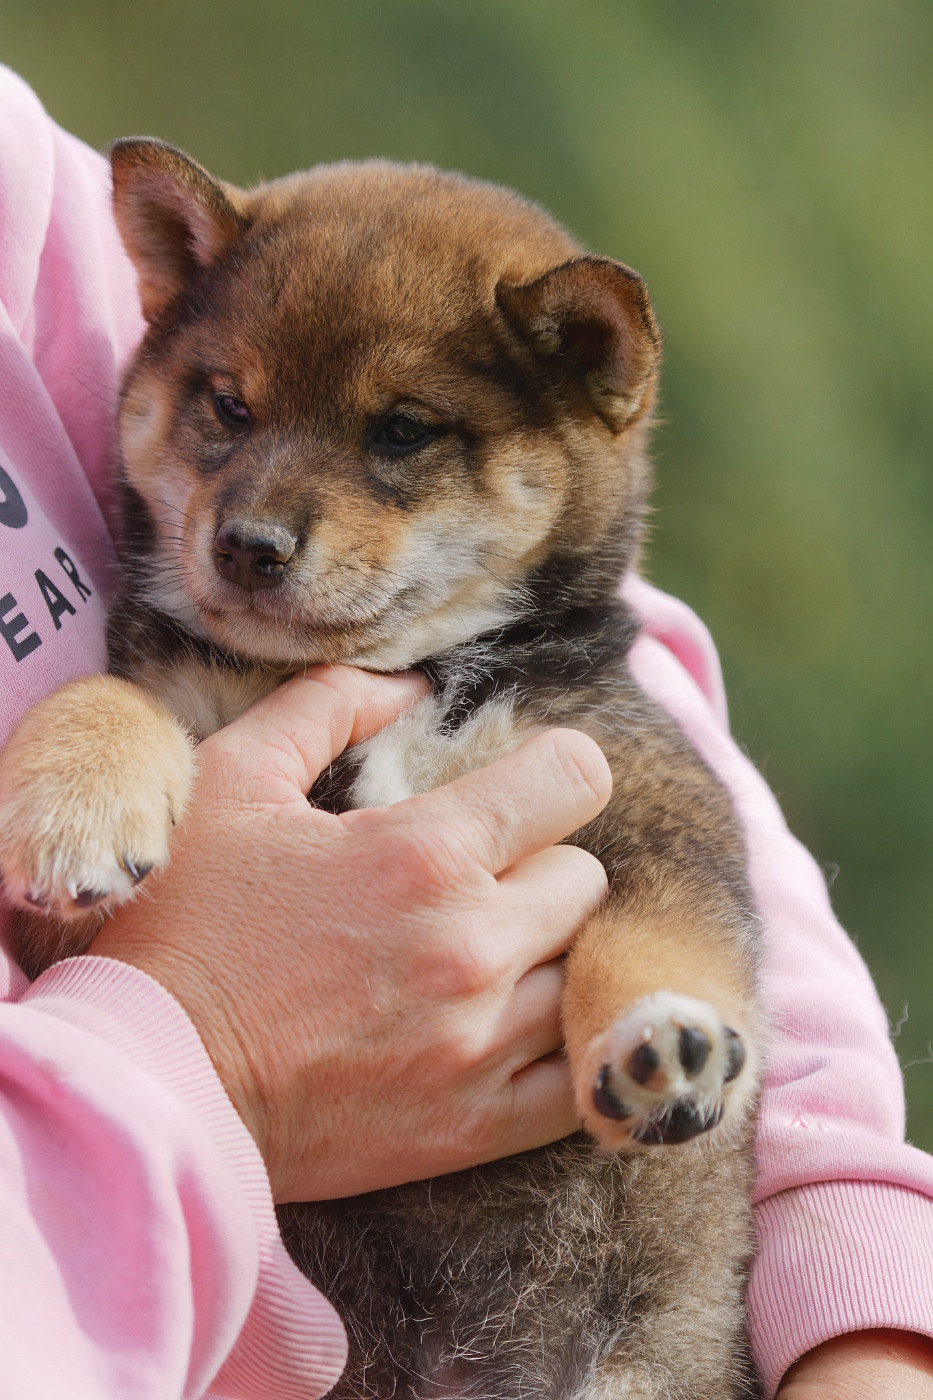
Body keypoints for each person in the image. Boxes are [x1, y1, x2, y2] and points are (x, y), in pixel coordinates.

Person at [0, 63, 930, 1399]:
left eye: (401, 435)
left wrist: (864, 1312)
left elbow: (681, 864)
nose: (255, 515)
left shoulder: (14, 206)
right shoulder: (156, 684)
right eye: (230, 411)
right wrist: (210, 1045)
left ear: (586, 382)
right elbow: (103, 800)